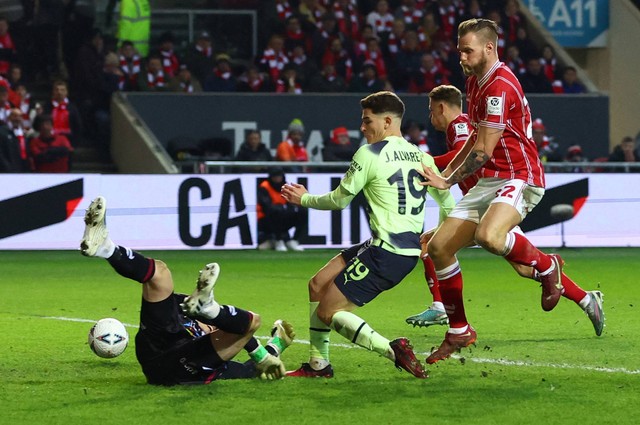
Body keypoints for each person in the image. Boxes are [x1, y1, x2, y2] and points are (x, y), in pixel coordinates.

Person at [417, 19, 605, 364]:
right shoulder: (475, 83)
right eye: (459, 49)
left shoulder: (499, 86)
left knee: (491, 236)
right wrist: (445, 174)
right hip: (492, 180)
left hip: (520, 175)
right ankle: (459, 330)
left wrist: (447, 179)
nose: (460, 55)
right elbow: (474, 140)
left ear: (489, 48)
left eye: (467, 49)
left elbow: (482, 151)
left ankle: (549, 267)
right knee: (439, 247)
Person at [281, 91, 455, 379]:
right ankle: (318, 365)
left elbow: (339, 200)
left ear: (387, 121)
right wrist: (435, 235)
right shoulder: (422, 156)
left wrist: (304, 199)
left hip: (386, 253)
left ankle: (393, 350)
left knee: (328, 313)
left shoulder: (369, 154)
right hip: (393, 248)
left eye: (367, 121)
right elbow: (448, 204)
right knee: (317, 284)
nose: (362, 128)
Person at [405, 85, 604, 336]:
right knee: (523, 269)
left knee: (430, 243)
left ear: (441, 108)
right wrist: (440, 174)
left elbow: (463, 152)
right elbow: (460, 158)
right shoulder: (464, 126)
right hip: (488, 203)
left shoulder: (459, 126)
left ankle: (441, 306)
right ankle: (586, 299)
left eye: (431, 110)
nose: (430, 116)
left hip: (493, 202)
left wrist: (423, 161)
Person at [79, 196, 295, 385]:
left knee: (251, 324)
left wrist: (276, 345)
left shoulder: (217, 347)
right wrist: (268, 352)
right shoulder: (188, 309)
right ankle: (106, 247)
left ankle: (211, 308)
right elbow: (243, 338)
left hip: (180, 366)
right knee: (160, 274)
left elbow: (251, 364)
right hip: (159, 343)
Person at [257, 168, 307, 252]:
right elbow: (266, 206)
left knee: (303, 212)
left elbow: (290, 203)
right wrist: (281, 208)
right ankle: (278, 240)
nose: (277, 179)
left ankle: (294, 240)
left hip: (283, 215)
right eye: (275, 177)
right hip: (266, 219)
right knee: (276, 212)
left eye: (279, 176)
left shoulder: (285, 186)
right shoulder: (264, 187)